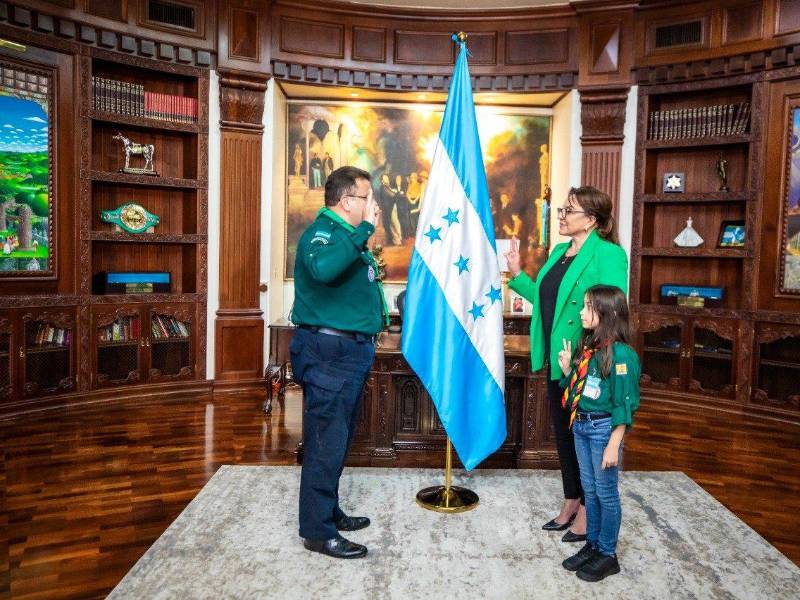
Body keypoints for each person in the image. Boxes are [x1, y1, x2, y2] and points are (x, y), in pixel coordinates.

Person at [504, 185, 628, 544]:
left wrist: (587, 357)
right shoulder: (559, 252)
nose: (560, 216)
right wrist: (517, 275)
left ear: (590, 220)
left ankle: (590, 508)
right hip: (557, 359)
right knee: (565, 435)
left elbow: (612, 309)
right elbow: (550, 302)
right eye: (562, 209)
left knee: (587, 438)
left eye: (567, 211)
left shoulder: (608, 254)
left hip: (586, 363)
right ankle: (572, 498)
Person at [290, 166, 387, 559]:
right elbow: (325, 269)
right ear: (348, 201)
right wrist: (365, 231)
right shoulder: (323, 234)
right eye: (367, 197)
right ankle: (317, 531)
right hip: (330, 354)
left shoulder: (345, 237)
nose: (374, 205)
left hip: (347, 353)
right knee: (324, 442)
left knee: (338, 439)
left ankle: (328, 511)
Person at [559, 285, 640, 581]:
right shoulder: (590, 349)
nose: (581, 312)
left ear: (608, 314)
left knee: (606, 494)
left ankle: (608, 553)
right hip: (581, 425)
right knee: (589, 491)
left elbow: (624, 403)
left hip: (603, 430)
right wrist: (569, 371)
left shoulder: (621, 356)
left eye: (589, 307)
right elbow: (585, 391)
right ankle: (592, 544)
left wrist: (613, 444)